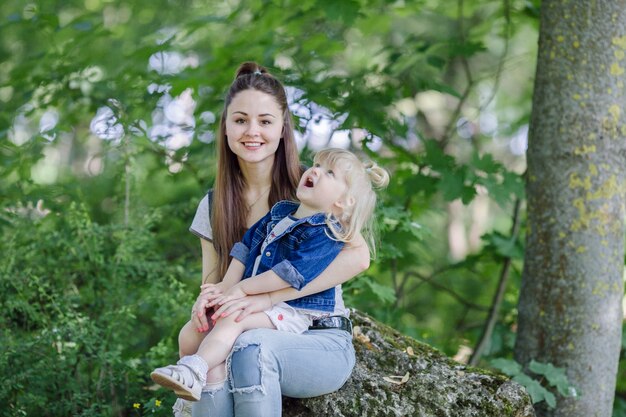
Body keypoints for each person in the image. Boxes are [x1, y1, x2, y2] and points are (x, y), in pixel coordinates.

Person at [172, 61, 376, 417]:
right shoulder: (214, 203)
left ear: (283, 128)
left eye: (265, 121)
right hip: (246, 319)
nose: (252, 131)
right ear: (225, 127)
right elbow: (215, 279)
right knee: (193, 335)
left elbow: (359, 257)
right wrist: (208, 301)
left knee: (250, 345)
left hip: (314, 334)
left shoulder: (312, 186)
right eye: (240, 120)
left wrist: (267, 298)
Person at [151, 148, 389, 402]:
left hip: (292, 311)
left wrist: (242, 290)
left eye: (329, 172)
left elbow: (289, 275)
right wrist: (225, 286)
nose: (315, 170)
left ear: (343, 201)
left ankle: (196, 367)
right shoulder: (279, 215)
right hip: (260, 300)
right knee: (191, 332)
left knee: (233, 318)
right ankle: (186, 389)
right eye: (317, 164)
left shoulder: (327, 232)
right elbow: (246, 247)